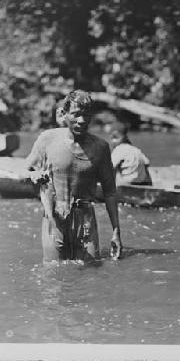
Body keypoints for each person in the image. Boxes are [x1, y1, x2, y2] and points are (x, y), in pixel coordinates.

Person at [19, 90, 122, 264]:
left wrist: (116, 232)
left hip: (86, 221)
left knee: (91, 275)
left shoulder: (100, 148)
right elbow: (22, 173)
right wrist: (33, 174)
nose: (82, 121)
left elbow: (110, 193)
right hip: (54, 217)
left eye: (86, 115)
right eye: (76, 115)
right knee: (54, 273)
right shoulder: (48, 139)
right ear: (64, 114)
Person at [108, 121, 152, 186]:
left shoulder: (119, 150)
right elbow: (147, 162)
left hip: (126, 184)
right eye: (112, 138)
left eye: (114, 138)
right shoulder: (136, 150)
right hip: (142, 184)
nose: (113, 142)